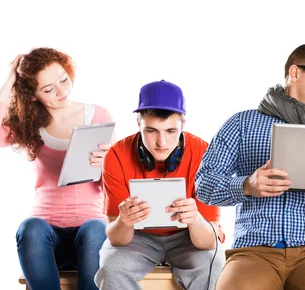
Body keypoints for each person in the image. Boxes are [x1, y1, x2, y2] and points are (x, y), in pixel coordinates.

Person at [195, 42, 305, 290]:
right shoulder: (242, 124)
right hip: (253, 251)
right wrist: (246, 186)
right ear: (295, 73)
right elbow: (203, 185)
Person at [0, 47, 114, 290]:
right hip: (48, 240)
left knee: (96, 227)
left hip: (91, 235)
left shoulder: (98, 115)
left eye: (63, 79)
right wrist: (11, 79)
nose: (61, 91)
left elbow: (116, 184)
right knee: (29, 227)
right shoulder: (29, 124)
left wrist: (108, 166)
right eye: (48, 89)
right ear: (33, 95)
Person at [93, 80, 224, 290]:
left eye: (171, 131)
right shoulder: (116, 155)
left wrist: (195, 219)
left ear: (183, 124)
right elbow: (117, 240)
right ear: (138, 124)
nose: (161, 142)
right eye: (151, 131)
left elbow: (209, 242)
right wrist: (125, 221)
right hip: (137, 237)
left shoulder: (204, 154)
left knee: (213, 265)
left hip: (189, 237)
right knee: (112, 268)